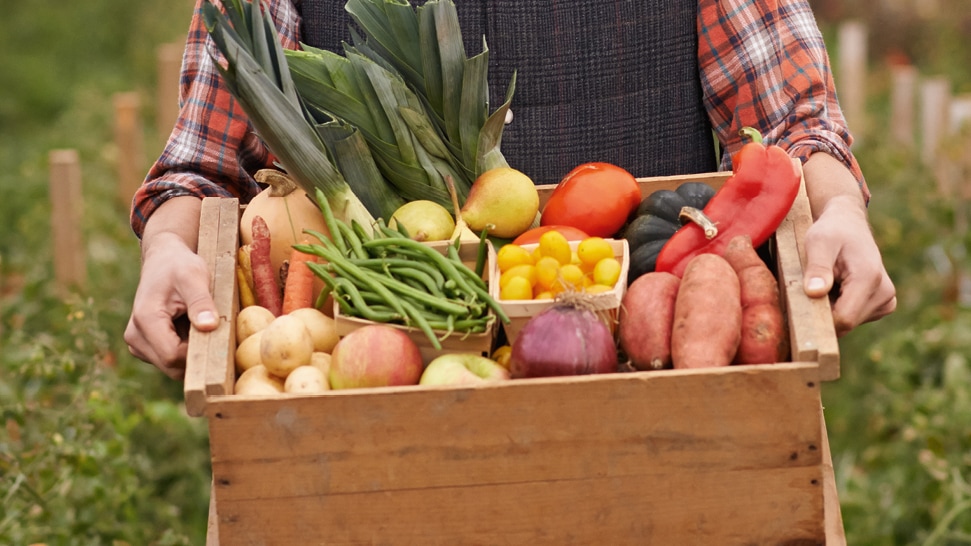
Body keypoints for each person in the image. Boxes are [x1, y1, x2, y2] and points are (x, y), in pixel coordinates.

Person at [125, 0, 896, 380]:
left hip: (651, 376)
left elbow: (793, 119)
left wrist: (838, 209)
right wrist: (167, 245)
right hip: (385, 397)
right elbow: (203, 163)